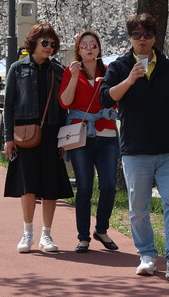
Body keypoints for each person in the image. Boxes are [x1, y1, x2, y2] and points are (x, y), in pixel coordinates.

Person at [100, 13, 169, 280]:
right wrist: (130, 79)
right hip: (135, 151)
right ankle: (146, 253)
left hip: (168, 150)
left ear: (155, 37)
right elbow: (105, 98)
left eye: (147, 35)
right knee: (138, 209)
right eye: (136, 35)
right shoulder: (120, 66)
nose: (142, 40)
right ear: (130, 38)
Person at [3, 23, 72, 254]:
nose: (49, 47)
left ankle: (47, 235)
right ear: (33, 42)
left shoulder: (59, 71)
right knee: (28, 185)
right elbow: (9, 104)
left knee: (50, 186)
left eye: (53, 44)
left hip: (52, 132)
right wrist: (7, 138)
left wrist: (63, 139)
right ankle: (28, 233)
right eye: (45, 43)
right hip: (25, 133)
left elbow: (64, 108)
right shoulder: (17, 69)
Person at [58, 30, 120, 253]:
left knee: (109, 185)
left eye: (93, 44)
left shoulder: (110, 71)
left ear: (99, 48)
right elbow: (65, 102)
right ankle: (83, 236)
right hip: (81, 134)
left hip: (107, 134)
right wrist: (74, 78)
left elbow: (117, 98)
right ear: (78, 50)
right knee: (84, 187)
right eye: (84, 45)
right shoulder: (70, 72)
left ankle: (101, 229)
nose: (89, 48)